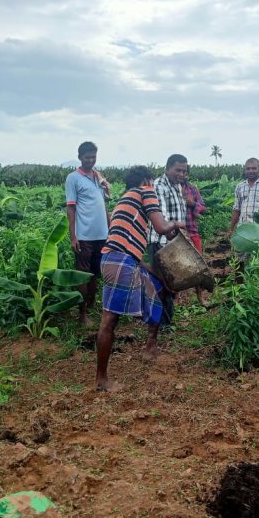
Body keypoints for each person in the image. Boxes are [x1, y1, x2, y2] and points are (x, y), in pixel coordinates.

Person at [96, 166, 183, 392]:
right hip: (119, 262)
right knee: (109, 320)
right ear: (146, 180)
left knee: (158, 290)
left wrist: (157, 277)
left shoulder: (124, 201)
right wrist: (177, 225)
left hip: (122, 260)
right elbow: (162, 227)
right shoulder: (145, 191)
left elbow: (129, 247)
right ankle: (102, 380)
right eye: (151, 181)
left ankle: (150, 347)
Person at [65, 141, 110, 327]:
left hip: (102, 235)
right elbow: (71, 208)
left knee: (95, 273)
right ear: (80, 157)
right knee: (83, 274)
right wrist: (73, 235)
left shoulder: (98, 178)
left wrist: (110, 226)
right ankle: (82, 314)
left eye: (93, 157)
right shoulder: (73, 178)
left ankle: (91, 306)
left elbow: (104, 204)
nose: (90, 160)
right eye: (87, 157)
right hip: (84, 236)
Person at [147, 154, 189, 330]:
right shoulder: (160, 185)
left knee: (171, 281)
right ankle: (160, 323)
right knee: (161, 282)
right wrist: (178, 228)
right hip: (161, 241)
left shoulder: (177, 185)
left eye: (184, 171)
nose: (181, 174)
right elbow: (162, 218)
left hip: (174, 241)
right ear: (168, 168)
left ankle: (167, 319)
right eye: (178, 170)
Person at [227, 157, 259, 237]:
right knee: (241, 250)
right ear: (245, 170)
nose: (251, 171)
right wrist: (231, 229)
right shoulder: (240, 186)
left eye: (254, 168)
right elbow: (236, 209)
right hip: (243, 228)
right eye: (248, 169)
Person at [183, 168, 209, 305]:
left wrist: (192, 204)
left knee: (198, 266)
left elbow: (203, 208)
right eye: (180, 172)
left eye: (185, 172)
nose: (183, 175)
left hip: (192, 231)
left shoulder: (193, 190)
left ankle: (200, 296)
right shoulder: (169, 189)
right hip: (174, 235)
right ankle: (176, 298)